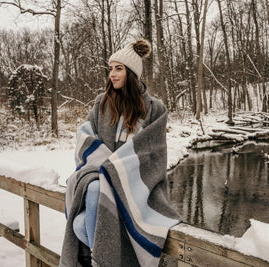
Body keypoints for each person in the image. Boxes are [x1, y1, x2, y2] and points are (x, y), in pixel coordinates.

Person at [60, 39, 180, 267]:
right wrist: (109, 169)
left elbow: (152, 155)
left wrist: (116, 172)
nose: (112, 75)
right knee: (89, 201)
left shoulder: (155, 109)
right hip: (101, 179)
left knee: (85, 216)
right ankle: (106, 260)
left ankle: (103, 259)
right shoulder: (101, 104)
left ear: (132, 73)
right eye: (110, 69)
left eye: (119, 69)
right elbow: (84, 140)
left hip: (137, 188)